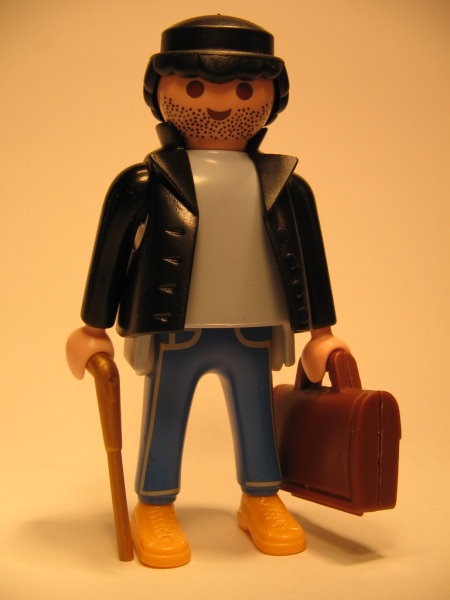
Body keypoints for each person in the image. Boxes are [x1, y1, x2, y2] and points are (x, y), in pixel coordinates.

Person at [66, 15, 348, 568]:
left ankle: (260, 497)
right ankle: (155, 504)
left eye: (243, 90)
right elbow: (111, 253)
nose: (219, 103)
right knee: (165, 413)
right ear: (159, 91)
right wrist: (92, 326)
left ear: (272, 97)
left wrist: (323, 332)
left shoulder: (286, 185)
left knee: (256, 413)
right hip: (176, 325)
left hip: (254, 326)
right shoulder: (145, 182)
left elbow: (311, 260)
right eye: (194, 87)